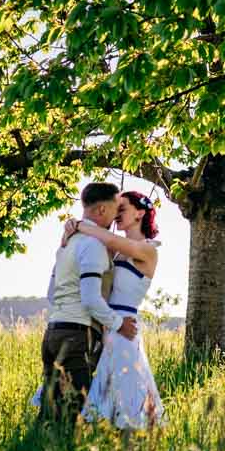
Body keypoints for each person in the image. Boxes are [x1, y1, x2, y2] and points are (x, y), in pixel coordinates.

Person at [34, 181, 138, 423]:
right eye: (115, 209)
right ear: (102, 210)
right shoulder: (93, 246)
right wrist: (119, 323)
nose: (116, 216)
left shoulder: (66, 244)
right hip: (75, 336)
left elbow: (51, 293)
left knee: (49, 413)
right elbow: (90, 299)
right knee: (71, 414)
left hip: (52, 333)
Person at [65, 189, 166, 429]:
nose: (116, 214)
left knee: (127, 401)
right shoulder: (115, 250)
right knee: (96, 397)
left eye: (122, 209)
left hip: (124, 328)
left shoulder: (148, 250)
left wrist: (80, 224)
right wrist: (70, 227)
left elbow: (109, 238)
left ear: (140, 213)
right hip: (104, 324)